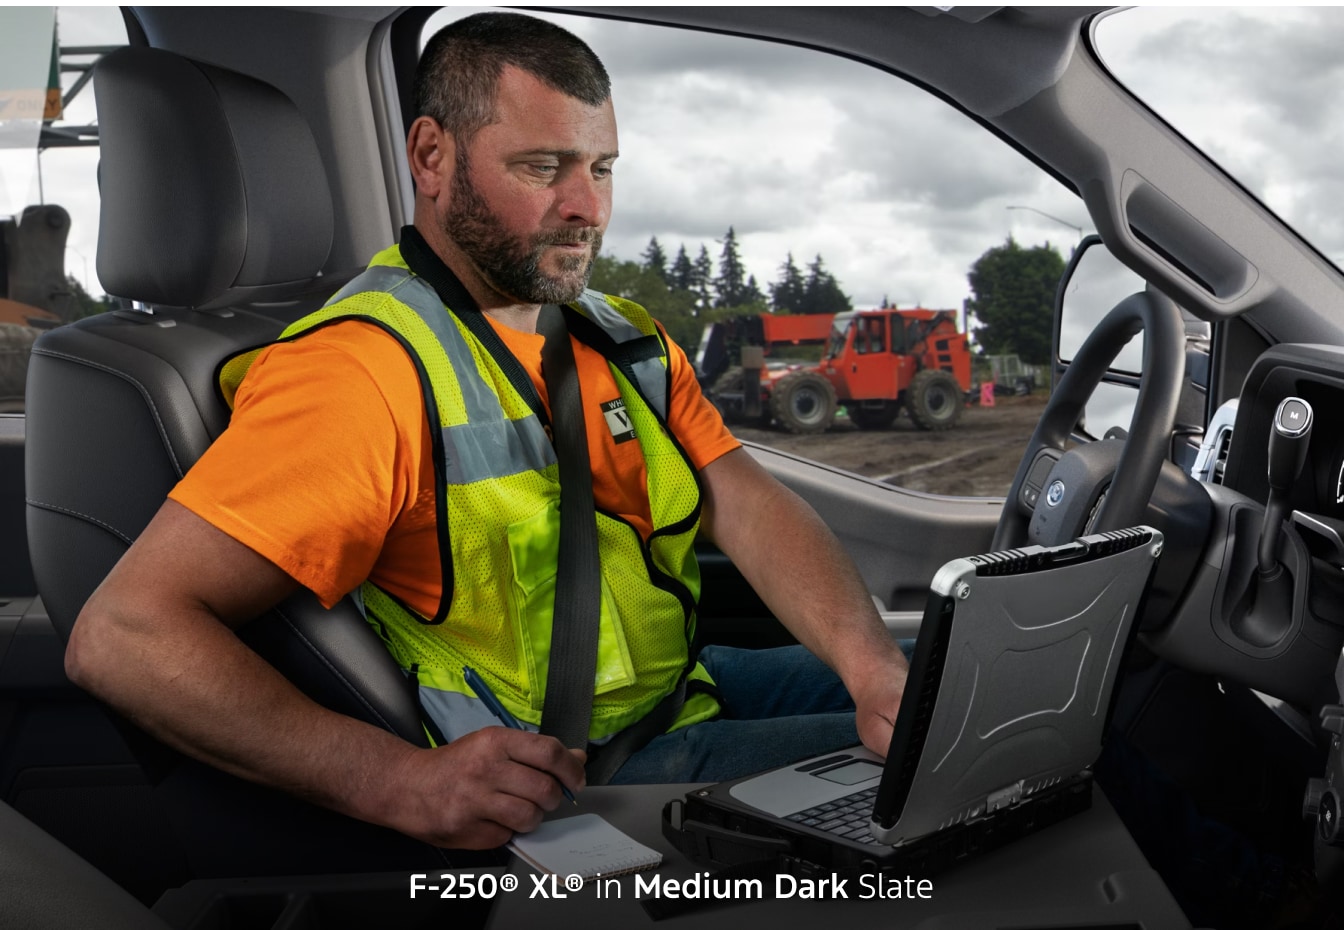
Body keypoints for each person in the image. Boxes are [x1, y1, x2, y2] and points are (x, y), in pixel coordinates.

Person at [65, 11, 908, 852]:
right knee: (948, 771)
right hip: (587, 790)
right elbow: (125, 636)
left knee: (968, 703)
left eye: (601, 168)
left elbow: (750, 506)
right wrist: (392, 780)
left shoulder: (621, 338)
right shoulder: (362, 370)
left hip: (682, 694)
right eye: (543, 167)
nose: (586, 208)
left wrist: (870, 667)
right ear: (431, 157)